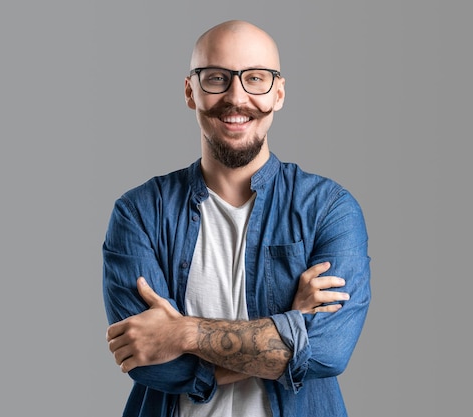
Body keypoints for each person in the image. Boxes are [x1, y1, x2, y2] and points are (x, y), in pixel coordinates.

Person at [103, 19, 371, 417]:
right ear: (190, 91)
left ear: (278, 93)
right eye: (216, 78)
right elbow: (149, 362)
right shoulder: (139, 213)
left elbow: (328, 352)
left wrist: (183, 333)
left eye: (256, 78)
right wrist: (290, 327)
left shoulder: (329, 208)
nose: (237, 97)